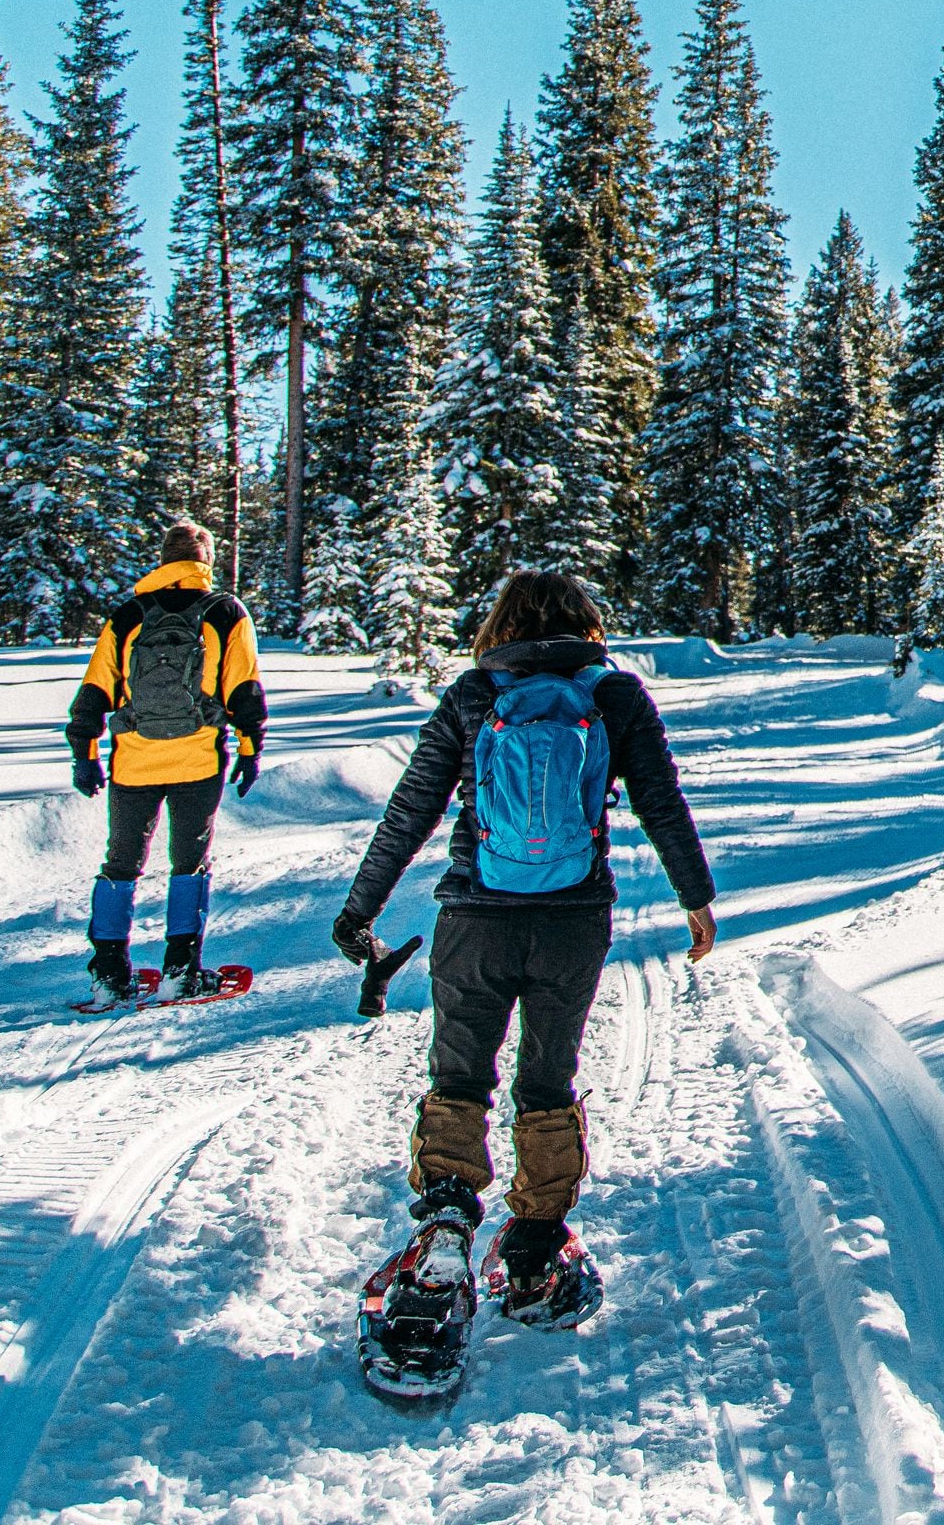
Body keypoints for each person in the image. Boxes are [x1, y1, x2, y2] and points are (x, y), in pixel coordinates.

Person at [333, 569, 716, 1330]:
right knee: (548, 1077)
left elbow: (410, 809)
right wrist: (695, 897)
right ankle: (536, 1249)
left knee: (460, 1070)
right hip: (573, 923)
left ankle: (445, 1227)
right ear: (585, 623)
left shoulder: (474, 694)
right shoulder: (615, 695)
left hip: (474, 918)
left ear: (502, 624)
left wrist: (360, 910)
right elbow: (660, 797)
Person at [66, 517, 265, 998]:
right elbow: (244, 687)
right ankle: (181, 969)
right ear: (207, 561)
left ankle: (109, 975)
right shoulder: (225, 611)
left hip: (134, 760)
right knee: (189, 861)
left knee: (120, 863)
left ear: (163, 559)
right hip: (198, 759)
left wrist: (85, 754)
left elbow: (96, 689)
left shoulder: (128, 615)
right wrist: (249, 748)